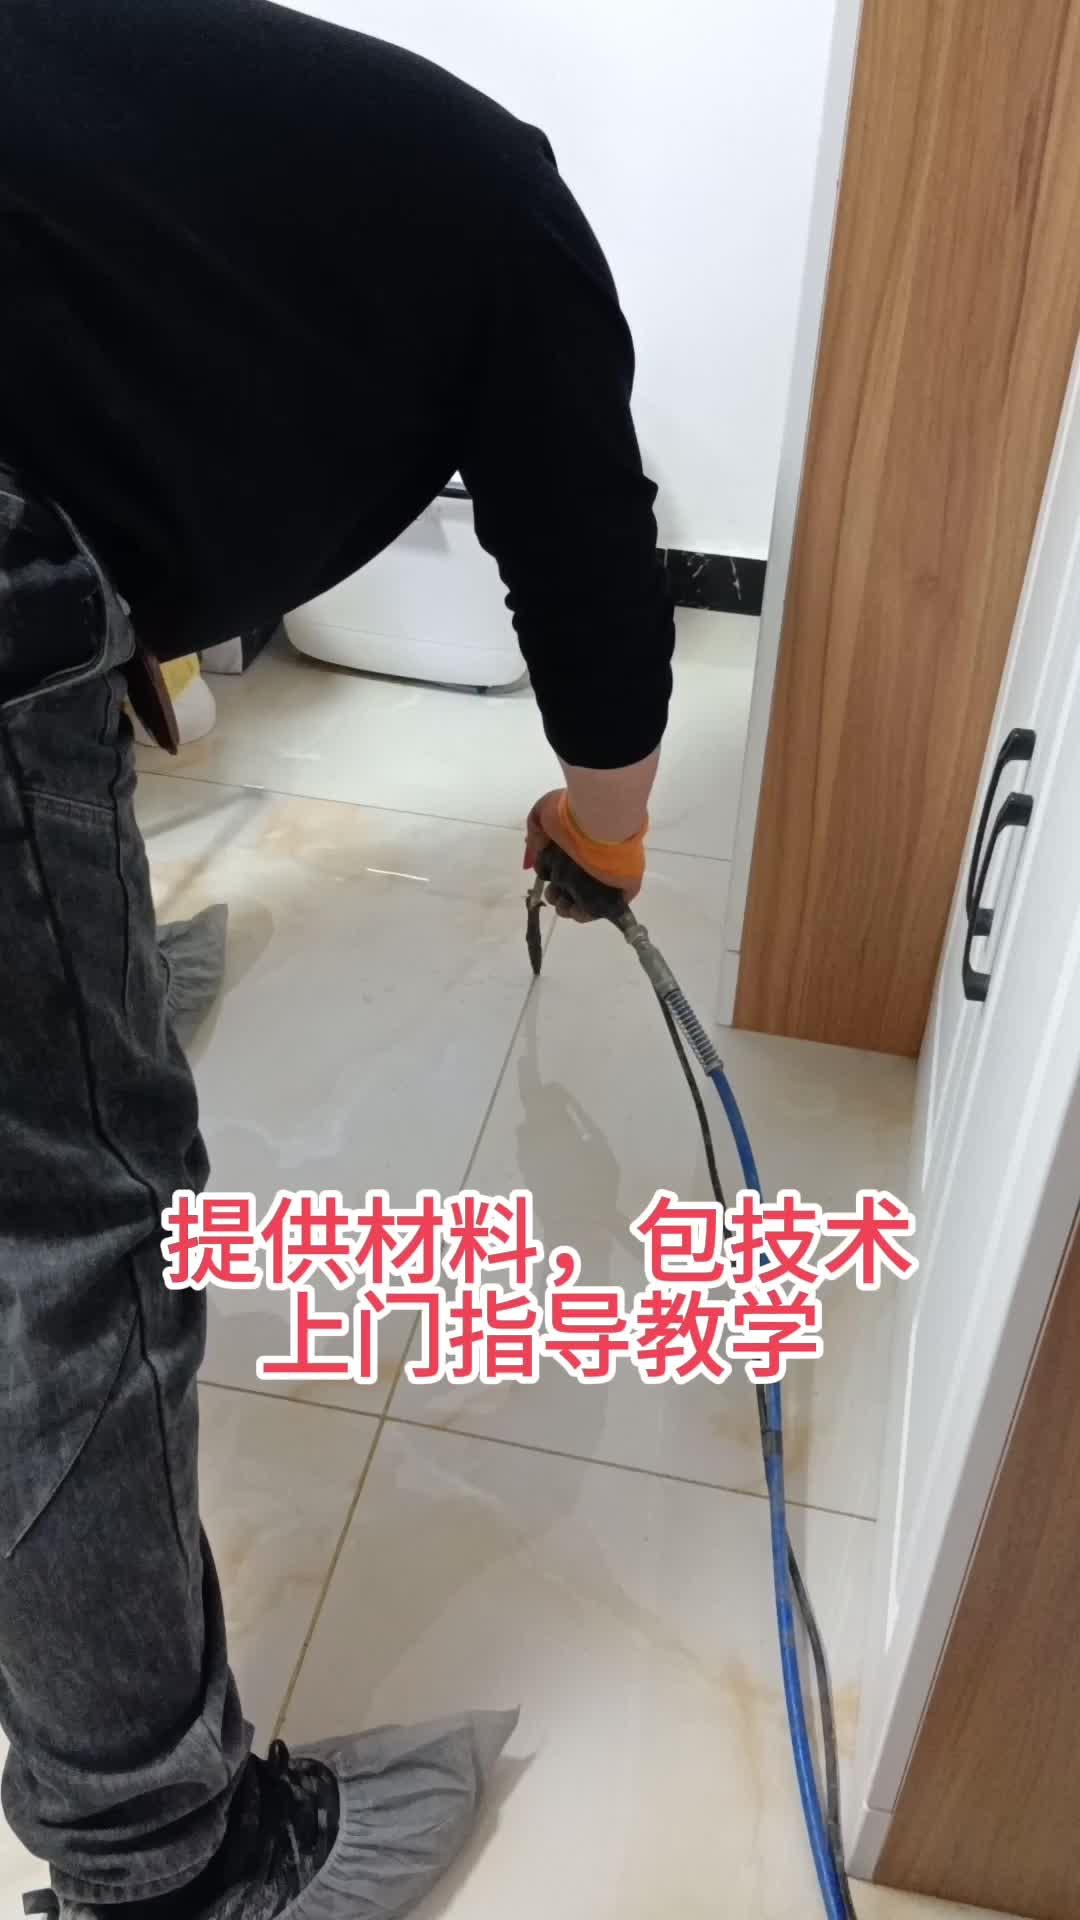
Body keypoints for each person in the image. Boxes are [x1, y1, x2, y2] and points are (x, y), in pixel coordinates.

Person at [0, 4, 674, 1919]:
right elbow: (591, 567)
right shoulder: (511, 226)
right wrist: (610, 833)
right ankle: (167, 1862)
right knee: (68, 1221)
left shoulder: (208, 136)